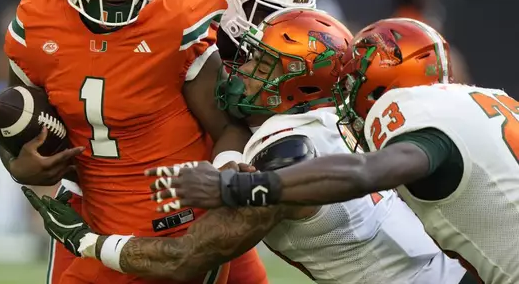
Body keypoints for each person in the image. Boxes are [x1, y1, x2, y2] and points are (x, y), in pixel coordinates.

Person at [24, 8, 469, 284]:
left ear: (298, 82)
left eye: (261, 62)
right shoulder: (331, 121)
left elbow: (184, 258)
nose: (242, 69)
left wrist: (86, 242)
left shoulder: (287, 155)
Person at [0, 0, 266, 283]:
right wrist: (20, 165)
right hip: (90, 219)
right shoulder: (37, 26)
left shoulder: (177, 23)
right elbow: (17, 131)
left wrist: (223, 179)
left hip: (181, 223)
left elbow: (229, 126)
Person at [38, 0, 320, 284]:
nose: (281, 33)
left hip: (206, 216)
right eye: (268, 13)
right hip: (117, 209)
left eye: (294, 17)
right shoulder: (169, 34)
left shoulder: (289, 63)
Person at [146, 18, 519, 284]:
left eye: (356, 79)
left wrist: (236, 186)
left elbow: (364, 173)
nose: (345, 93)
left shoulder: (405, 117)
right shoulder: (487, 96)